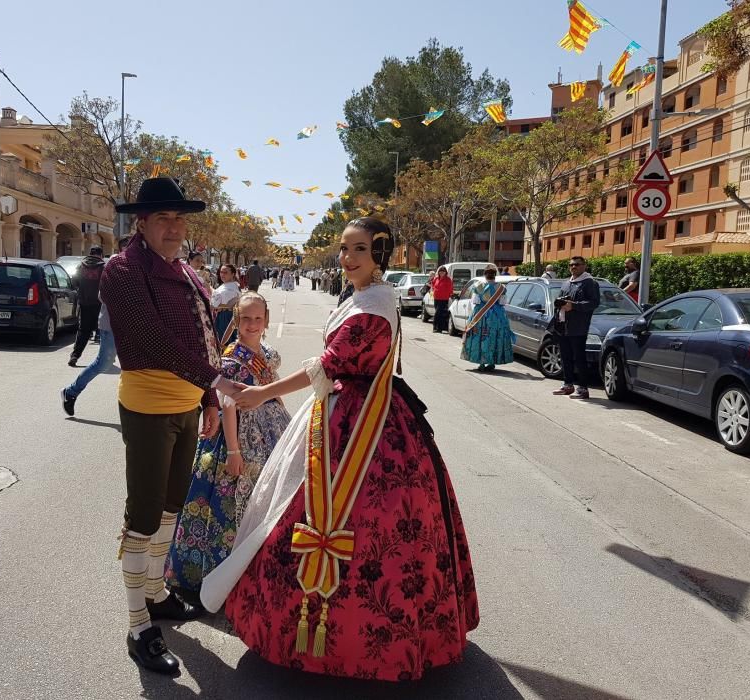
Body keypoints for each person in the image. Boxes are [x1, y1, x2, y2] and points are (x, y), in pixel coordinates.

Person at [201, 217, 479, 682]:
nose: (348, 259)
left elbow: (326, 369)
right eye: (345, 249)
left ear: (380, 255)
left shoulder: (371, 308)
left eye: (360, 251)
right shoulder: (366, 299)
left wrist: (261, 394)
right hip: (356, 407)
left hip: (360, 419)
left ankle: (339, 641)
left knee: (340, 511)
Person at [99, 177, 245, 675]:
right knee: (142, 517)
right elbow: (151, 339)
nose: (174, 227)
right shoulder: (122, 271)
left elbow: (204, 337)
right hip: (147, 408)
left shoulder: (185, 271)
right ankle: (138, 625)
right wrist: (218, 381)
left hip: (187, 407)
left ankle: (157, 594)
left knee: (170, 510)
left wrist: (206, 397)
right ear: (141, 222)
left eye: (179, 218)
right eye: (164, 218)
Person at [166, 292, 291, 601]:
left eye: (258, 319)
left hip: (269, 428)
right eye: (245, 318)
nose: (251, 324)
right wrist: (234, 452)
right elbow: (229, 407)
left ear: (266, 322)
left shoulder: (267, 353)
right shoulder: (231, 359)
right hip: (238, 439)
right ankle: (217, 574)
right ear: (236, 320)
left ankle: (253, 568)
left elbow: (271, 385)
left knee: (263, 501)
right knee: (229, 505)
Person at [61, 237, 131, 416]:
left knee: (137, 366)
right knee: (103, 363)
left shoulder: (140, 266)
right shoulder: (113, 265)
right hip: (112, 324)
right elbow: (103, 295)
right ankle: (70, 392)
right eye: (126, 246)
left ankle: (138, 411)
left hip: (131, 326)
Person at [553, 256, 600, 400]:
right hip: (564, 325)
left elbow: (594, 303)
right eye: (571, 265)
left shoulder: (590, 283)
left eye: (577, 265)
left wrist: (574, 305)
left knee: (579, 358)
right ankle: (568, 385)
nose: (573, 267)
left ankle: (583, 388)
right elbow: (561, 300)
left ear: (584, 266)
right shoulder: (567, 282)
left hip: (578, 327)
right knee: (565, 356)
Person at [460, 268, 515, 372]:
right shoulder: (501, 288)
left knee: (480, 337)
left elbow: (475, 301)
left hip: (481, 315)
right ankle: (492, 362)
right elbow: (503, 302)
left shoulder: (478, 286)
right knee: (494, 336)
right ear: (495, 275)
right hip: (496, 316)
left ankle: (481, 363)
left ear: (485, 275)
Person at [68, 246, 106, 367]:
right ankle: (104, 359)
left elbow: (74, 282)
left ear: (90, 254)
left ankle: (75, 355)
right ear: (100, 255)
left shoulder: (81, 266)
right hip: (100, 303)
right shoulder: (103, 267)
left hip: (84, 303)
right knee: (104, 330)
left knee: (84, 330)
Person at [212, 264, 242, 347]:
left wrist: (220, 306)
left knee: (226, 343)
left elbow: (232, 303)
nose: (222, 274)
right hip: (221, 316)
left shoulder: (232, 286)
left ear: (232, 274)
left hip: (227, 317)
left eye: (225, 272)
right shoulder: (227, 285)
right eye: (221, 272)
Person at [430, 265, 455, 334]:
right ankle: (439, 328)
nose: (442, 273)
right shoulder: (436, 278)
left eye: (443, 272)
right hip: (436, 298)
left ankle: (436, 327)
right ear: (439, 272)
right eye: (440, 271)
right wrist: (433, 289)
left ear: (445, 272)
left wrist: (450, 294)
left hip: (444, 298)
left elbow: (450, 288)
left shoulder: (448, 279)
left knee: (438, 313)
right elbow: (432, 284)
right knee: (439, 313)